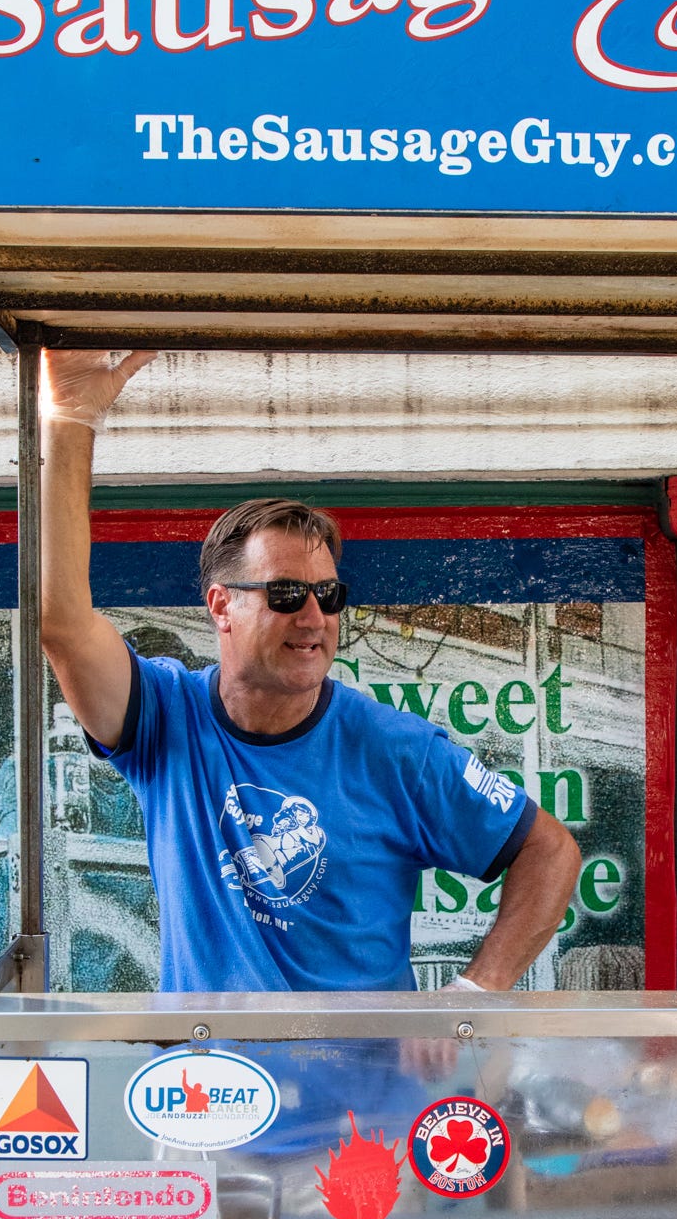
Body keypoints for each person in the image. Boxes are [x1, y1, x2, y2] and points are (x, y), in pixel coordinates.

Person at [39, 349, 581, 993]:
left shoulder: (395, 750)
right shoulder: (163, 718)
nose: (314, 618)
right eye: (287, 595)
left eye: (329, 596)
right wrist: (70, 416)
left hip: (360, 1087)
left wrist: (473, 994)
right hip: (211, 1086)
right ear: (222, 607)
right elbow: (62, 622)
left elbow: (550, 851)